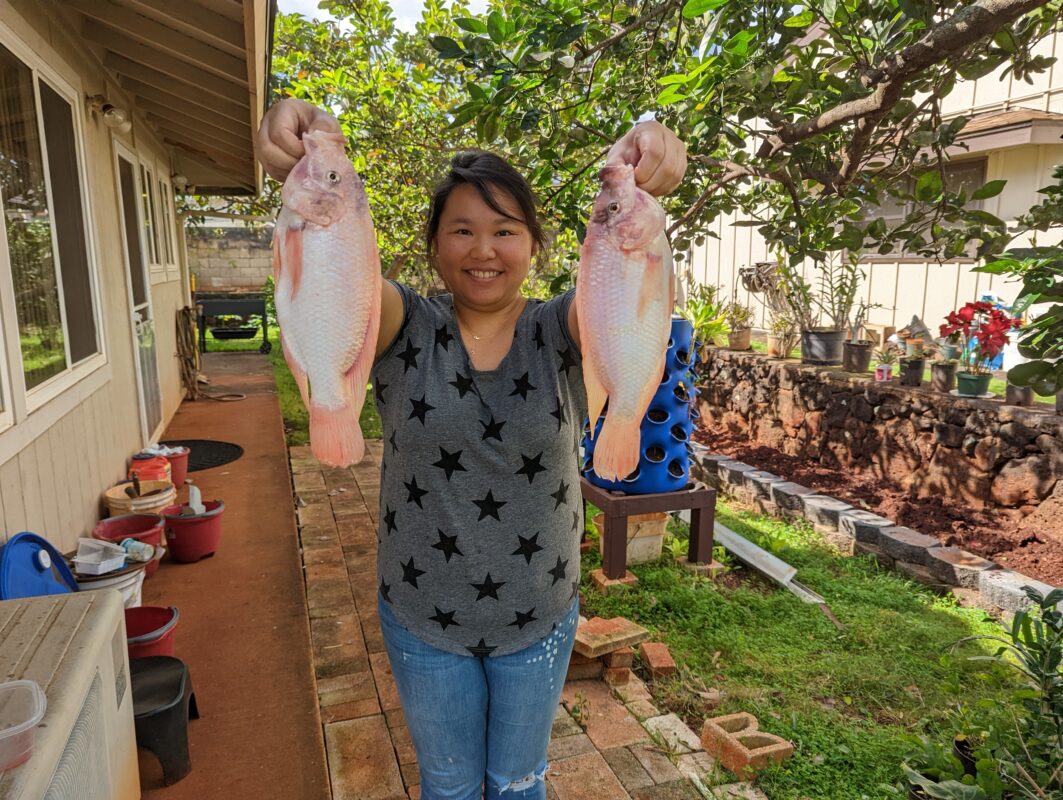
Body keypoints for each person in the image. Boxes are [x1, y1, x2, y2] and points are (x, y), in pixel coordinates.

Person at [256, 98, 686, 800]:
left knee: (518, 784)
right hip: (422, 614)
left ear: (536, 246)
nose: (483, 250)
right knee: (450, 787)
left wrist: (645, 171)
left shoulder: (563, 328)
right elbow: (334, 280)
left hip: (540, 614)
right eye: (461, 230)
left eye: (503, 230)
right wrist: (300, 124)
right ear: (433, 247)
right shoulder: (400, 323)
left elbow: (625, 291)